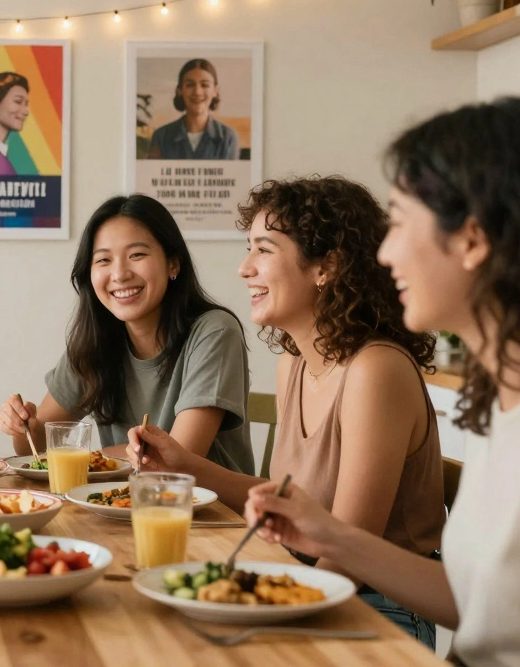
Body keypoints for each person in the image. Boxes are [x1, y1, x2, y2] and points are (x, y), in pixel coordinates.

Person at [243, 98, 520, 667]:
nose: (386, 253)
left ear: (472, 240)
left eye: (400, 223)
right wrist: (329, 535)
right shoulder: (504, 399)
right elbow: (483, 604)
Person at [129, 177, 445, 646]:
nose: (244, 268)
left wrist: (263, 613)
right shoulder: (293, 364)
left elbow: (348, 551)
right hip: (307, 581)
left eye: (264, 250)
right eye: (248, 248)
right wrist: (184, 464)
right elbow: (290, 502)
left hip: (376, 608)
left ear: (327, 266)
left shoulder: (376, 370)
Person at [0, 194, 253, 474]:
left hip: (210, 512)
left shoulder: (215, 331)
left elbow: (177, 458)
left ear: (173, 263)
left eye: (137, 255)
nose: (119, 274)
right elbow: (33, 450)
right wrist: (22, 425)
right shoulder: (96, 341)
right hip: (121, 506)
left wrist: (81, 457)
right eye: (104, 260)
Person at [146, 58, 240, 161]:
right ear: (180, 90)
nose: (197, 92)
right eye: (190, 85)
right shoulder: (161, 137)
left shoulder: (228, 138)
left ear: (215, 91)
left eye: (204, 85)